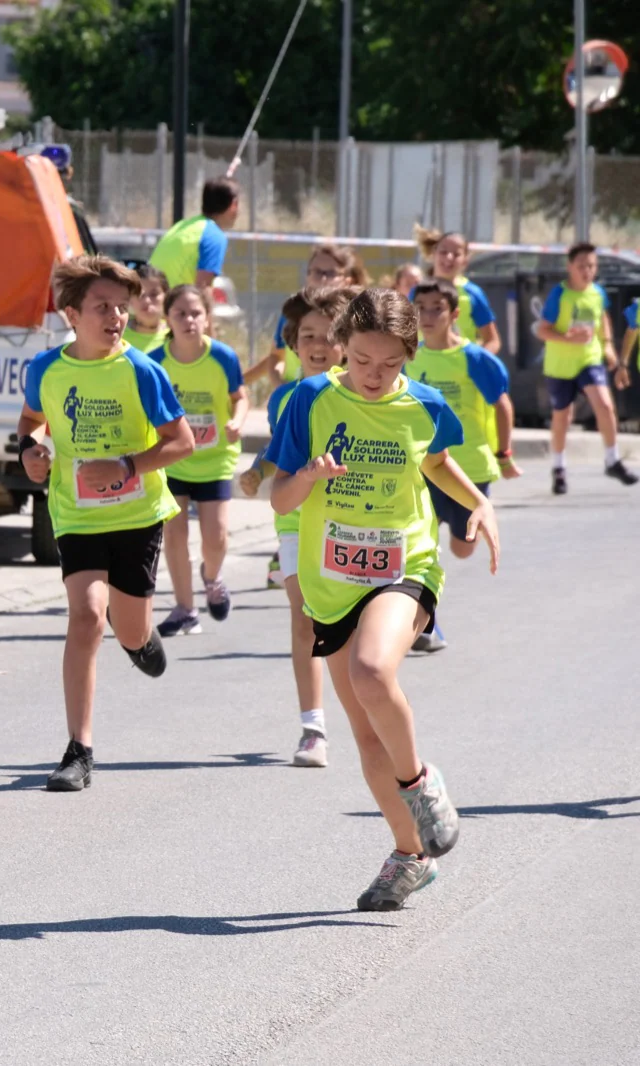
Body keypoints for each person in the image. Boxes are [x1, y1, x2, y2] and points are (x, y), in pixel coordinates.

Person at [266, 288, 500, 911]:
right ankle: (409, 856)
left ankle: (422, 786)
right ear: (342, 348)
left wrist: (481, 502)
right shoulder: (310, 400)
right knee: (368, 741)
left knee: (374, 669)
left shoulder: (423, 405)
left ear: (409, 357)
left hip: (405, 565)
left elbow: (439, 462)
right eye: (363, 360)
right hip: (331, 580)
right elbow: (279, 499)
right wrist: (310, 477)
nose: (374, 375)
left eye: (390, 364)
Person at [17, 256, 195, 792]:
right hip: (74, 512)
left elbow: (181, 442)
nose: (117, 316)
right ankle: (79, 750)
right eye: (103, 307)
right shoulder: (44, 370)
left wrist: (126, 467)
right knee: (88, 616)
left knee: (130, 625)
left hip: (137, 514)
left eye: (122, 306)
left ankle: (140, 640)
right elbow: (32, 422)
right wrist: (31, 451)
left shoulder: (142, 370)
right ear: (72, 313)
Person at [240, 285, 356, 768]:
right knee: (303, 612)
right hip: (295, 517)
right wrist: (257, 471)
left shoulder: (361, 392)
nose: (317, 343)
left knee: (349, 624)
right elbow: (279, 456)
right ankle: (313, 727)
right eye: (307, 334)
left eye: (328, 335)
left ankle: (365, 707)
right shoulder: (285, 397)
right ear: (293, 341)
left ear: (346, 342)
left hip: (351, 518)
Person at [409, 278, 518, 652]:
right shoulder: (409, 355)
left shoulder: (475, 359)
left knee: (462, 548)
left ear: (454, 314)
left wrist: (504, 454)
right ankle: (426, 624)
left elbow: (502, 405)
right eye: (420, 308)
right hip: (423, 466)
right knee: (422, 544)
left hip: (468, 467)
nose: (427, 315)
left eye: (436, 308)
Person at [150, 285, 248, 637]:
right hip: (172, 459)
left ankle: (212, 576)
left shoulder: (222, 356)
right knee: (174, 535)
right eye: (181, 314)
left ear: (207, 318)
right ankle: (185, 608)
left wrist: (237, 420)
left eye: (196, 313)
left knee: (216, 536)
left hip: (214, 459)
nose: (189, 320)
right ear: (168, 320)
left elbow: (240, 396)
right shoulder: (156, 361)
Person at [536, 241, 637, 493]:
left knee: (604, 403)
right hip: (560, 365)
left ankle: (612, 459)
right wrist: (567, 337)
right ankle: (558, 467)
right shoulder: (560, 295)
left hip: (589, 360)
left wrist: (608, 346)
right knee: (563, 416)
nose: (587, 270)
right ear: (570, 266)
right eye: (582, 265)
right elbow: (542, 329)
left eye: (591, 265)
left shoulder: (597, 293)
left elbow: (603, 318)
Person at [243, 243, 366, 389]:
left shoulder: (358, 318)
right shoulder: (295, 313)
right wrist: (282, 387)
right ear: (307, 275)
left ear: (348, 279)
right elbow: (276, 356)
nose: (323, 278)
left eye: (331, 273)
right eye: (317, 272)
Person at [413, 227, 498, 353]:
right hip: (422, 367)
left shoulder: (472, 294)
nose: (449, 257)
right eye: (443, 252)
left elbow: (492, 340)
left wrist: (476, 364)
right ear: (433, 253)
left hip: (458, 369)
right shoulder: (417, 291)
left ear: (465, 260)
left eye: (456, 254)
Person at [148, 178, 241, 292]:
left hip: (146, 302)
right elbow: (202, 288)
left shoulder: (182, 225)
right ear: (234, 205)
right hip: (168, 306)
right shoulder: (213, 236)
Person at [122, 262, 169, 354]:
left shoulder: (177, 334)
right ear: (130, 299)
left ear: (166, 296)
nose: (147, 301)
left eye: (154, 294)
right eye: (140, 295)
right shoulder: (118, 335)